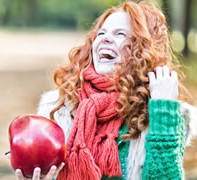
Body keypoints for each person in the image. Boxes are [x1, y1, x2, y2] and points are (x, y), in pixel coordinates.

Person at [11, 1, 197, 180]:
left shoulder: (165, 115)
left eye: (120, 34)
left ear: (144, 50)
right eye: (101, 33)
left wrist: (164, 111)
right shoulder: (59, 107)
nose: (105, 38)